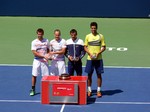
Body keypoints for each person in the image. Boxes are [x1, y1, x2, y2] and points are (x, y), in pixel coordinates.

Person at [84, 22, 106, 97]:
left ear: (96, 28)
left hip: (98, 59)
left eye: (94, 28)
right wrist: (89, 53)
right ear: (90, 28)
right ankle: (89, 90)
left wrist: (98, 53)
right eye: (92, 28)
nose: (93, 29)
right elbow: (85, 47)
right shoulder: (87, 36)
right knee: (89, 75)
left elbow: (104, 47)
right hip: (90, 59)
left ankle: (98, 91)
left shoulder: (101, 36)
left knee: (99, 75)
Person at [30, 28, 50, 96]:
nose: (39, 35)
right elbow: (34, 53)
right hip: (37, 60)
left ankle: (46, 90)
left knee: (46, 76)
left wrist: (48, 56)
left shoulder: (46, 41)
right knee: (34, 75)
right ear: (37, 34)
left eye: (40, 34)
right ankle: (33, 89)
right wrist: (44, 56)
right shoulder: (34, 42)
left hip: (44, 61)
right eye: (38, 34)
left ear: (43, 34)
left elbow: (48, 49)